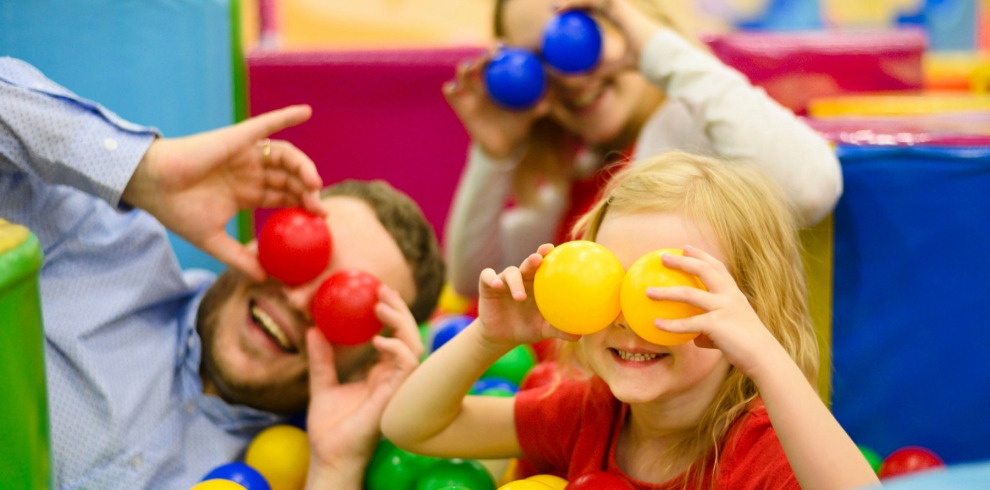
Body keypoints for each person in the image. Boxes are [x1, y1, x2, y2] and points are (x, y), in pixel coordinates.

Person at [0, 56, 445, 489]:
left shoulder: (302, 470)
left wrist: (335, 469)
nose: (298, 300)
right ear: (259, 239)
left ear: (364, 373)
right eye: (301, 252)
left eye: (347, 308)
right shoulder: (97, 247)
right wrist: (143, 170)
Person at [382, 151, 879, 489]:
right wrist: (489, 337)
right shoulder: (588, 415)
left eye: (665, 295)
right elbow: (412, 428)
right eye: (607, 285)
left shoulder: (760, 445)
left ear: (744, 314)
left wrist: (765, 357)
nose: (628, 319)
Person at [442, 0, 843, 298]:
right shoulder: (583, 176)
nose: (567, 76)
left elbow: (812, 187)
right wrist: (493, 156)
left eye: (581, 30)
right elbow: (474, 278)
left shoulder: (695, 134)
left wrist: (653, 49)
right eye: (533, 60)